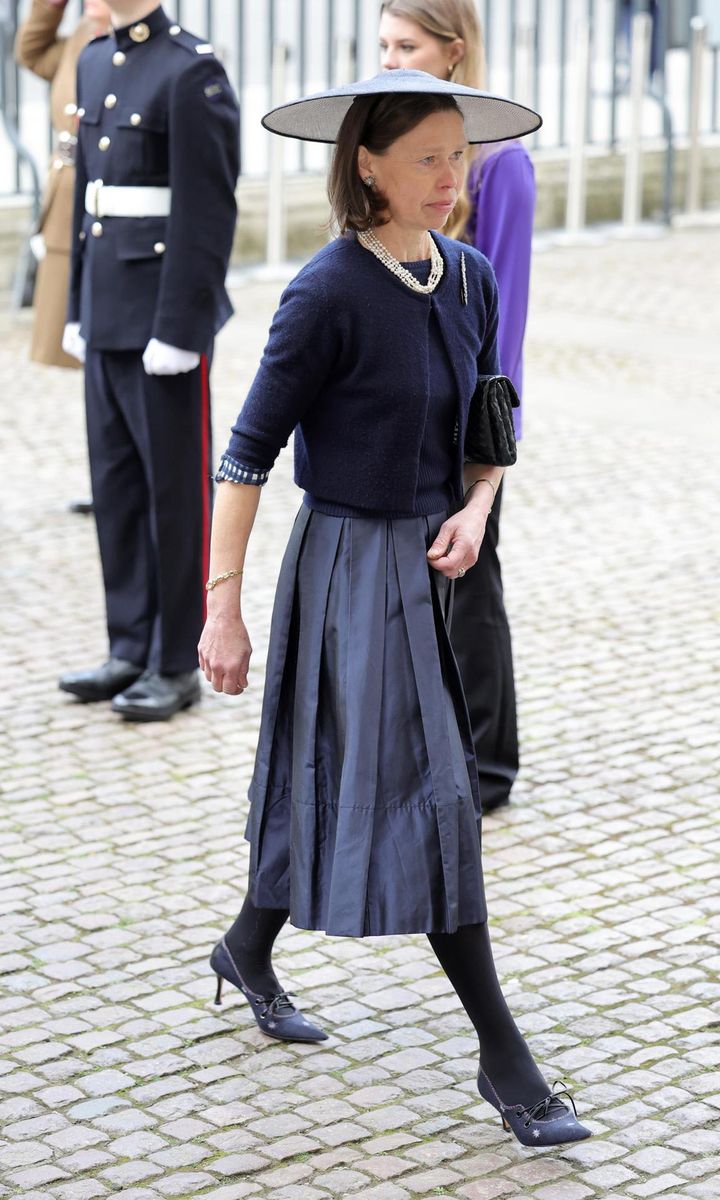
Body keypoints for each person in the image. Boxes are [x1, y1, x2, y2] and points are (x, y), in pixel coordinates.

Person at [199, 69, 590, 1147]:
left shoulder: (465, 277)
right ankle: (506, 1063)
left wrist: (478, 505)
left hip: (436, 564)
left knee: (337, 768)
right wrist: (220, 610)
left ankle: (245, 945)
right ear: (365, 163)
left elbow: (491, 424)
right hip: (346, 570)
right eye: (427, 157)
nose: (451, 178)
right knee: (435, 795)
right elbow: (244, 457)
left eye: (458, 156)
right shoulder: (324, 293)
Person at [58, 2, 240, 721]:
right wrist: (76, 303)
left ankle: (175, 660)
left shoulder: (193, 71)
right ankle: (128, 644)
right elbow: (87, 200)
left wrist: (183, 326)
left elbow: (208, 210)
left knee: (175, 494)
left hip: (163, 320)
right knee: (118, 487)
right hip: (107, 308)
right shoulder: (95, 59)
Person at [380, 0, 536, 812]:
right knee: (412, 585)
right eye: (382, 44)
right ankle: (428, 749)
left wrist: (492, 437)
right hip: (403, 395)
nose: (390, 58)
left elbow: (506, 306)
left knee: (472, 585)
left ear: (452, 52)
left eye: (406, 44)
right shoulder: (386, 152)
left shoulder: (501, 162)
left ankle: (488, 766)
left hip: (472, 404)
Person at [15, 0, 112, 515]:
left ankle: (116, 476)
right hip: (66, 210)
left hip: (104, 209)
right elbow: (28, 50)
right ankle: (105, 475)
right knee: (82, 352)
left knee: (110, 352)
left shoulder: (125, 40)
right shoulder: (76, 38)